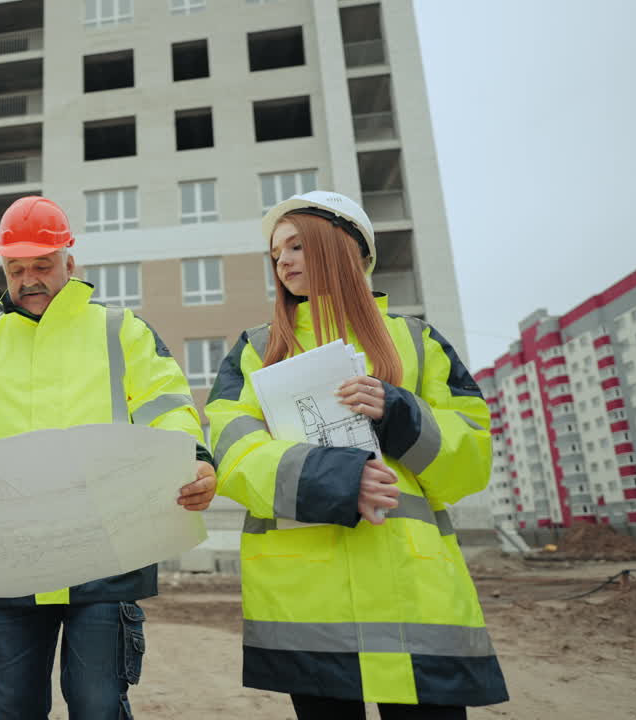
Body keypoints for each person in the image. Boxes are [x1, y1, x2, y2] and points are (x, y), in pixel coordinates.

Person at [0, 195, 217, 720]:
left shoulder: (121, 331)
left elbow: (168, 409)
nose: (29, 280)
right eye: (15, 269)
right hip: (10, 557)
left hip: (105, 551)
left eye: (42, 266)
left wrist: (193, 460)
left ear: (70, 261)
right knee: (13, 707)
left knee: (97, 705)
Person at [205, 191, 508, 719]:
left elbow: (472, 459)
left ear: (346, 249)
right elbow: (233, 453)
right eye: (276, 254)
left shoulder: (417, 341)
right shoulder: (256, 349)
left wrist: (400, 414)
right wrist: (336, 480)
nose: (283, 263)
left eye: (297, 246)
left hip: (416, 597)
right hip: (309, 600)